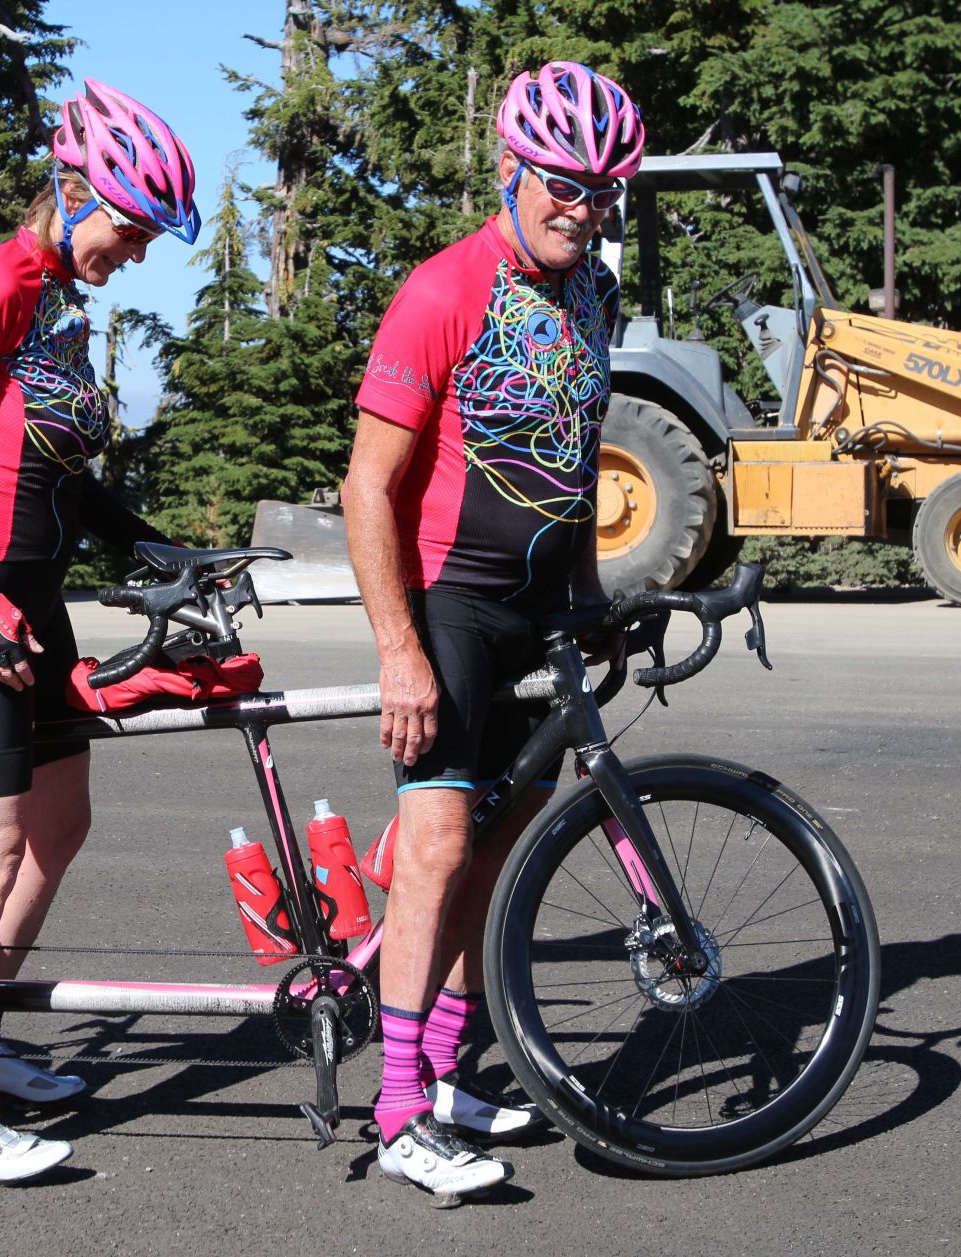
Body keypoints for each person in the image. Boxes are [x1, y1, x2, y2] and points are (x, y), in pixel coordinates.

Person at [0, 78, 202, 1184]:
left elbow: (55, 470)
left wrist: (156, 546)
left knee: (60, 823)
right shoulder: (0, 281)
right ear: (72, 189)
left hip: (34, 596)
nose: (138, 252)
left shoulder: (61, 296)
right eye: (130, 226)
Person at [342, 61, 645, 1202]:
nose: (583, 207)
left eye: (604, 191)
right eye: (564, 184)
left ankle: (452, 1073)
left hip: (540, 614)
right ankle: (400, 1108)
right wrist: (398, 650)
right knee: (430, 855)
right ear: (514, 171)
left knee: (495, 844)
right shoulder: (442, 290)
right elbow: (366, 487)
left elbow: (574, 461)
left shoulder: (591, 294)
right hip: (450, 606)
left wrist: (590, 591)